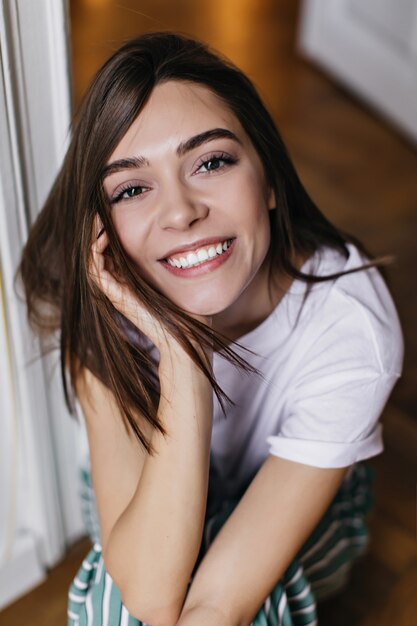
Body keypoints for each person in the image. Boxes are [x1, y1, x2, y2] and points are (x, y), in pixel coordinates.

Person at [18, 32, 404, 626]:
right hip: (145, 488)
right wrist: (182, 354)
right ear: (102, 227)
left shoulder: (351, 328)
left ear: (270, 179)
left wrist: (180, 356)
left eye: (212, 161)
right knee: (122, 594)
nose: (180, 211)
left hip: (297, 515)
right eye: (133, 188)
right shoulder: (96, 296)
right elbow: (147, 587)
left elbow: (218, 603)